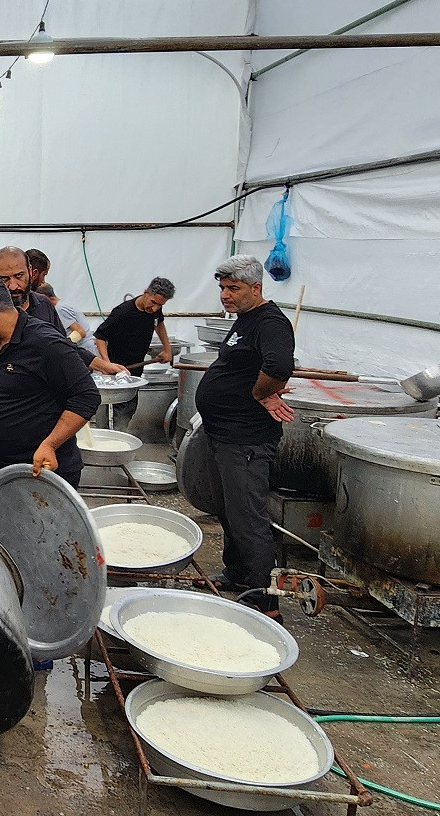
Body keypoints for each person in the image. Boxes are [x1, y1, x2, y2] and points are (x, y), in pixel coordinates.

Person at [193, 255, 296, 611]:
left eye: (233, 288)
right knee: (228, 510)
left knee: (249, 518)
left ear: (256, 288)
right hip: (222, 434)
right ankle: (238, 572)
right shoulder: (245, 319)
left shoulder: (270, 322)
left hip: (246, 439)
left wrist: (262, 393)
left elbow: (279, 366)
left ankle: (264, 599)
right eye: (222, 287)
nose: (225, 294)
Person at [0, 271, 100, 492]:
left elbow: (86, 397)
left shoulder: (45, 343)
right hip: (5, 469)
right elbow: (8, 397)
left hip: (43, 472)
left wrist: (50, 444)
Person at [92, 278, 176, 377]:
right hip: (118, 369)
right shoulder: (122, 312)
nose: (155, 309)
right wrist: (106, 364)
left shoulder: (155, 308)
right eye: (153, 302)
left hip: (138, 366)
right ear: (146, 293)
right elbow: (100, 336)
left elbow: (158, 323)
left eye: (160, 305)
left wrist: (167, 349)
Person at [35, 283, 96, 357]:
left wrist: (63, 346)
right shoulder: (64, 304)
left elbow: (80, 332)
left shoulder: (59, 309)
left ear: (44, 296)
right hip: (88, 346)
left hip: (83, 348)